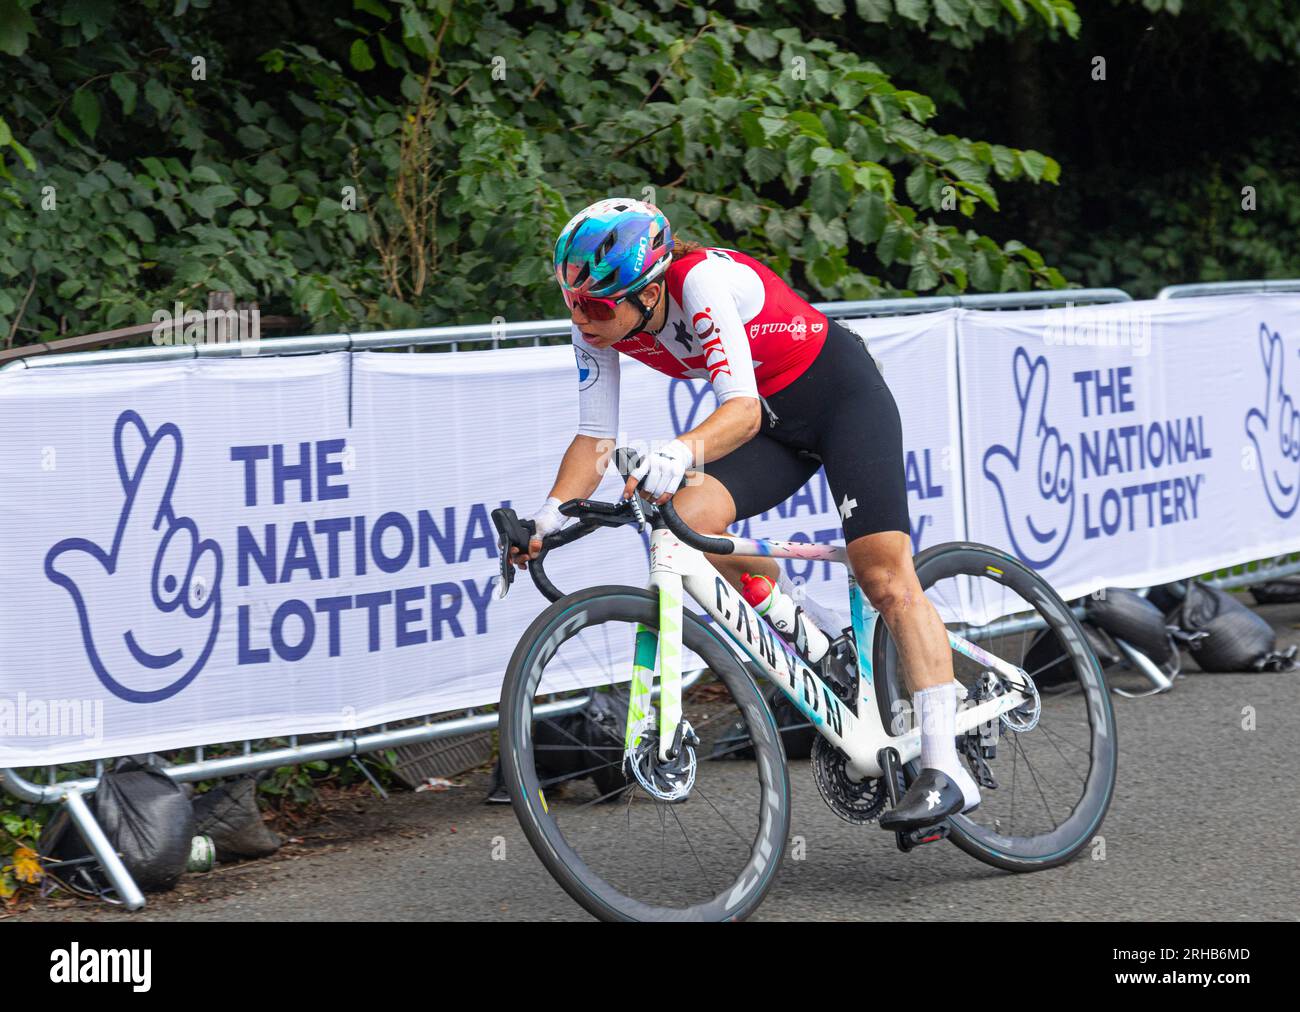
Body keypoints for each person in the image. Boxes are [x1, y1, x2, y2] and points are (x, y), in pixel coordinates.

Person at [512, 196, 978, 829]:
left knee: (884, 575)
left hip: (840, 400)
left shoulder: (699, 281)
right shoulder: (599, 323)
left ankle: (946, 766)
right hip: (772, 426)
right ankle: (815, 633)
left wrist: (679, 451)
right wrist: (547, 518)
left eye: (595, 306)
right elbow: (595, 436)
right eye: (571, 304)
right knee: (687, 522)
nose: (582, 319)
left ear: (648, 293)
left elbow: (742, 410)